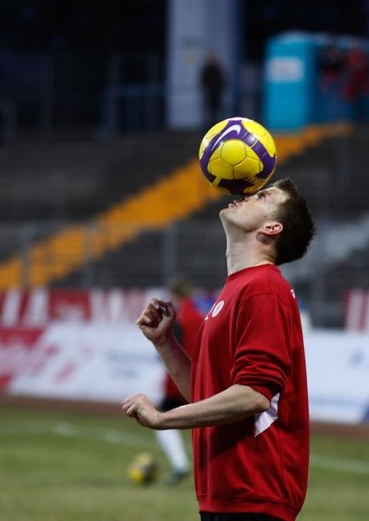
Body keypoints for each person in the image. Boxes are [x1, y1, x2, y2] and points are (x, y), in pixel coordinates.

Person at [124, 177, 317, 521]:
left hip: (255, 495)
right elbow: (208, 395)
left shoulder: (264, 289)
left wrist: (162, 418)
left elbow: (254, 395)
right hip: (226, 494)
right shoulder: (237, 289)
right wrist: (165, 343)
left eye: (262, 195)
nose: (245, 193)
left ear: (272, 227)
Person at [155, 276, 204, 485]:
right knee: (205, 421)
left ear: (174, 295)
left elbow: (171, 347)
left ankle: (180, 465)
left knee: (162, 418)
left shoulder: (177, 317)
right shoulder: (202, 315)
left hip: (180, 377)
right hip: (203, 376)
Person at [199, 51, 226, 128]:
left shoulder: (217, 69)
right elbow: (203, 80)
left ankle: (218, 125)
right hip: (209, 93)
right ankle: (209, 126)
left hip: (217, 93)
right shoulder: (207, 69)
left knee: (217, 110)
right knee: (209, 110)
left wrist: (220, 89)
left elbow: (222, 80)